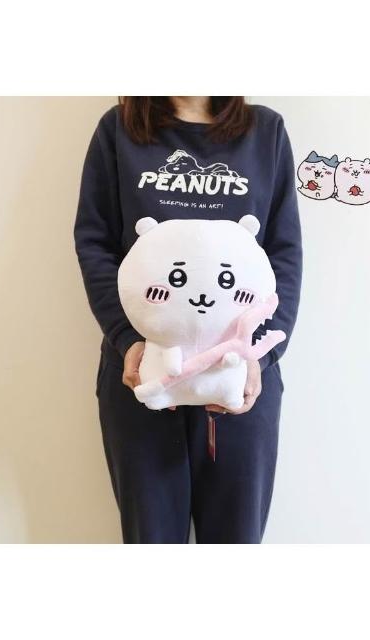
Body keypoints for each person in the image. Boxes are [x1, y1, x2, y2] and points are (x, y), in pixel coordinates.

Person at [74, 97, 302, 543]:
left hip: (240, 378)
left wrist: (260, 354)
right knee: (152, 539)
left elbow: (284, 253)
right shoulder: (118, 131)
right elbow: (95, 242)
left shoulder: (265, 132)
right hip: (143, 374)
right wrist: (127, 338)